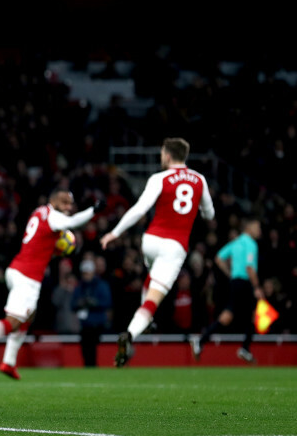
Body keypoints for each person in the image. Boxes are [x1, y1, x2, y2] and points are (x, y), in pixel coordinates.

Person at [0, 188, 106, 379]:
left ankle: (8, 362)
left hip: (17, 270)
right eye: (65, 203)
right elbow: (73, 222)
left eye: (70, 203)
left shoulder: (39, 212)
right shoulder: (55, 217)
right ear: (54, 201)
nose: (68, 207)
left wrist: (52, 249)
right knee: (13, 322)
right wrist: (93, 210)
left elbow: (39, 241)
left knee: (28, 317)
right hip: (27, 277)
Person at [100, 137, 215, 367]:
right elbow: (209, 214)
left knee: (152, 277)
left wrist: (115, 232)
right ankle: (130, 334)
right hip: (174, 247)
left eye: (162, 153)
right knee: (153, 299)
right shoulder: (199, 180)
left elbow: (140, 209)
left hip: (150, 241)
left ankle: (147, 320)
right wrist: (199, 211)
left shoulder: (159, 178)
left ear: (168, 155)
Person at [191, 218, 263, 363]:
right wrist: (257, 287)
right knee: (253, 315)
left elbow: (218, 258)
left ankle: (201, 342)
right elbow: (249, 267)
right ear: (248, 228)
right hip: (245, 283)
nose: (259, 231)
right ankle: (245, 348)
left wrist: (230, 273)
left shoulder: (236, 243)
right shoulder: (251, 244)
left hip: (235, 282)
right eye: (257, 227)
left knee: (228, 315)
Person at [71, 258, 112, 366]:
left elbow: (107, 302)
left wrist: (95, 303)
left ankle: (95, 367)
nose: (86, 276)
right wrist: (81, 303)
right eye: (84, 273)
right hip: (84, 324)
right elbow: (73, 304)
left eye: (88, 273)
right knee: (85, 350)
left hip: (98, 323)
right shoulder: (79, 287)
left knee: (94, 349)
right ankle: (88, 367)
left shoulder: (101, 285)